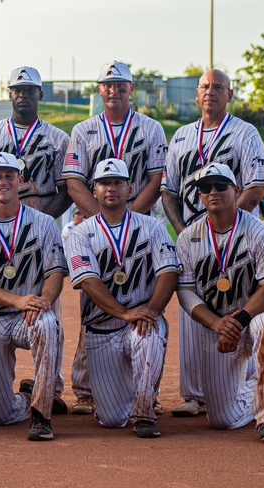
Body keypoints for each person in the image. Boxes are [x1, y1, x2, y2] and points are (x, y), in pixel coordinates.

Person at [162, 69, 264, 418]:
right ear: (197, 95)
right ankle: (195, 395)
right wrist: (183, 231)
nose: (211, 92)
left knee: (239, 302)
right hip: (193, 239)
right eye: (205, 87)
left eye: (218, 87)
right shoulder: (181, 136)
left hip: (236, 237)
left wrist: (228, 226)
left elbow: (255, 186)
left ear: (230, 94)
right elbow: (169, 191)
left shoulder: (245, 133)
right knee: (191, 307)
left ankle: (252, 384)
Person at [62, 60, 168, 415]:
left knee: (141, 293)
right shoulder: (83, 129)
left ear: (131, 88)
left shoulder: (151, 128)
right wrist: (104, 220)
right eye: (108, 84)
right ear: (99, 89)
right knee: (93, 299)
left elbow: (157, 178)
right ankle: (84, 387)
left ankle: (143, 386)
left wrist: (130, 217)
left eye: (120, 84)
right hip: (95, 224)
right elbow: (75, 181)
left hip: (140, 222)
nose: (114, 89)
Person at [63, 159, 180, 438]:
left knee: (147, 333)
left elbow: (168, 273)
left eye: (118, 182)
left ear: (130, 188)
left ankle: (144, 412)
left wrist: (150, 311)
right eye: (104, 183)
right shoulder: (79, 233)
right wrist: (124, 313)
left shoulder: (152, 227)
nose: (111, 188)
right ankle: (133, 391)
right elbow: (89, 282)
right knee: (112, 419)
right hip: (101, 329)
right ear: (94, 191)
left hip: (141, 321)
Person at [175, 162, 264, 444]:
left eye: (220, 185)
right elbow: (186, 292)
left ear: (235, 190)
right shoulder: (188, 238)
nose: (213, 191)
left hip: (252, 318)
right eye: (205, 187)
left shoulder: (261, 232)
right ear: (200, 196)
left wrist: (238, 321)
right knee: (223, 420)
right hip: (217, 324)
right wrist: (218, 323)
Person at [0, 152, 66, 441]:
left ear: (21, 180)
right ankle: (29, 396)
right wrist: (17, 300)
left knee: (48, 324)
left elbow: (55, 272)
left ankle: (42, 415)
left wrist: (42, 302)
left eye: (9, 176)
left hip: (28, 316)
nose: (2, 181)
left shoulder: (44, 223)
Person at [0, 66, 72, 217]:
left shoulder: (59, 138)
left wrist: (43, 222)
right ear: (10, 94)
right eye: (18, 90)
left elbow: (66, 191)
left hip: (41, 224)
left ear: (40, 94)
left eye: (30, 90)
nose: (23, 95)